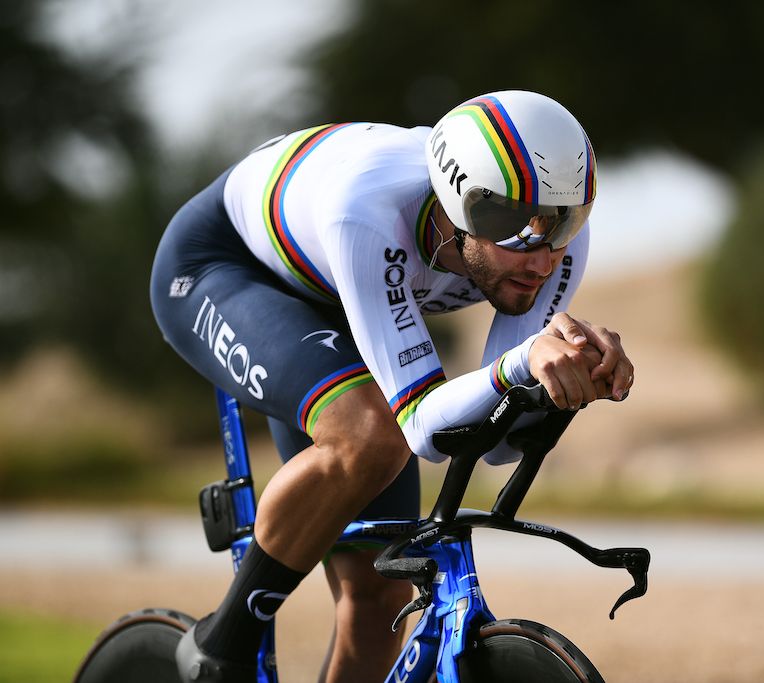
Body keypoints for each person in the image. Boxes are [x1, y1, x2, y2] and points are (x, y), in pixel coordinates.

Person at [150, 89, 633, 682]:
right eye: (513, 224)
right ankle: (219, 649)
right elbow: (425, 429)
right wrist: (522, 362)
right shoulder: (371, 209)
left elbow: (494, 439)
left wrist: (567, 379)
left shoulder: (555, 246)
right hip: (223, 267)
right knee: (369, 434)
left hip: (337, 292)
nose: (540, 255)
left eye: (563, 220)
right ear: (460, 206)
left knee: (379, 598)